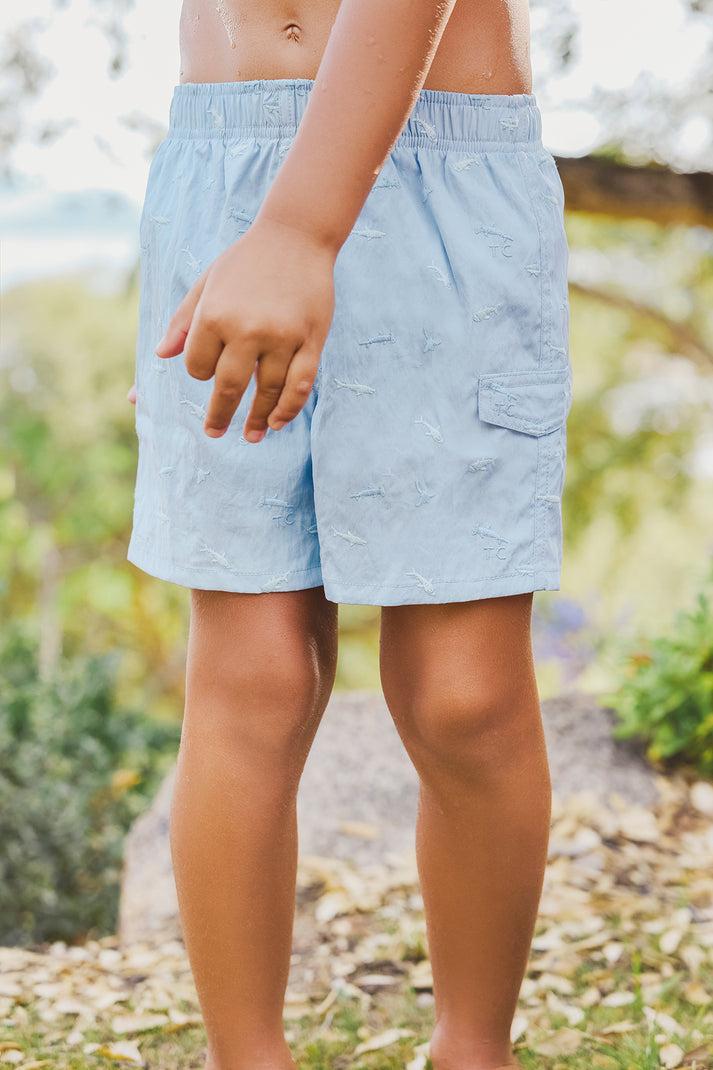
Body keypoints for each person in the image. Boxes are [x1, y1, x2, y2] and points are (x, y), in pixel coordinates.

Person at [126, 0, 573, 1067]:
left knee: (463, 696)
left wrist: (302, 227)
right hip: (224, 166)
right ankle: (248, 1056)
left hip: (445, 174)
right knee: (253, 675)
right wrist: (266, 227)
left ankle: (474, 1051)